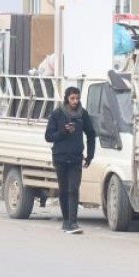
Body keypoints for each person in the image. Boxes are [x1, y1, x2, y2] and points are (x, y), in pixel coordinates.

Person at [44, 86, 96, 235]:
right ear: (67, 98)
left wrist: (90, 155)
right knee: (63, 190)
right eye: (72, 98)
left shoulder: (82, 114)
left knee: (73, 189)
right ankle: (66, 221)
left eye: (77, 98)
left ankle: (73, 222)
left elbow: (91, 134)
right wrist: (63, 132)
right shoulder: (57, 114)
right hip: (60, 157)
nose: (75, 101)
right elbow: (48, 136)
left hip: (75, 158)